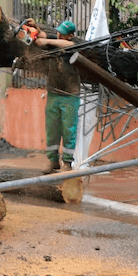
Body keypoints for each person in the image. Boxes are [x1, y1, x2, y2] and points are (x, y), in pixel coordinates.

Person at [34, 20, 81, 172]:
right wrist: (34, 27)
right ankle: (52, 161)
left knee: (69, 130)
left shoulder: (75, 45)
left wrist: (46, 41)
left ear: (71, 36)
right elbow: (41, 35)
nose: (59, 34)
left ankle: (67, 163)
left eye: (63, 33)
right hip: (53, 93)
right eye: (59, 32)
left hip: (70, 95)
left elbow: (69, 46)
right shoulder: (55, 39)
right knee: (52, 129)